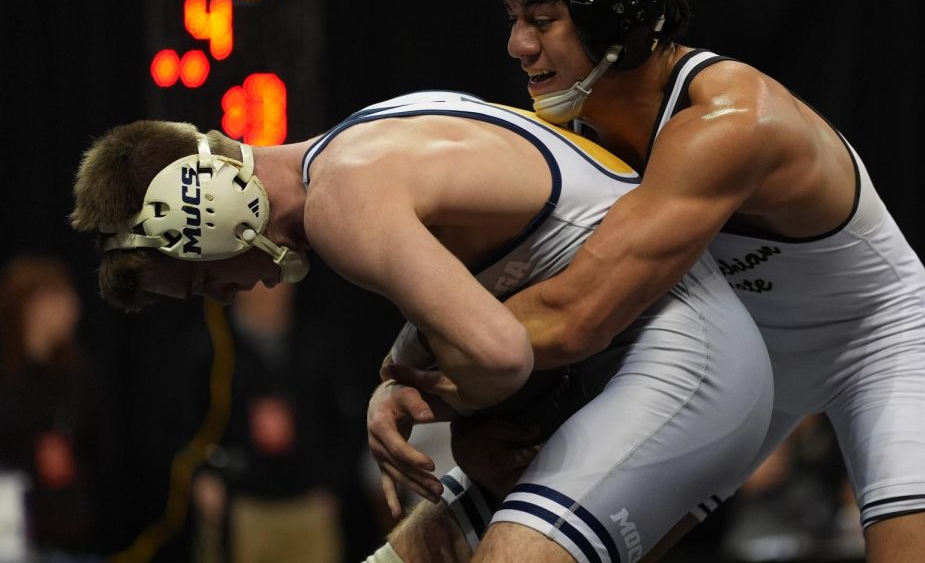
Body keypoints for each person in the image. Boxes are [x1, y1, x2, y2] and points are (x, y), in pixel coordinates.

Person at [372, 0, 925, 563]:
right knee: (452, 534)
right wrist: (446, 392)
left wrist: (413, 380)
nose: (516, 45)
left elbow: (575, 314)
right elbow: (515, 291)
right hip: (737, 349)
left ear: (616, 17)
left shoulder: (729, 122)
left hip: (870, 341)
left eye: (540, 19)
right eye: (513, 17)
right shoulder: (572, 121)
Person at [69, 91, 773, 563]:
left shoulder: (341, 204)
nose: (219, 296)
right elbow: (490, 304)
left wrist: (410, 391)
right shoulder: (358, 145)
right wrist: (401, 376)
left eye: (199, 276)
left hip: (686, 359)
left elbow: (499, 357)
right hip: (636, 357)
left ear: (214, 211)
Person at [184, 280, 358, 563]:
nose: (268, 291)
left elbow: (347, 420)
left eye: (277, 280)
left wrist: (333, 486)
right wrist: (201, 476)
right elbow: (183, 420)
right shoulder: (212, 347)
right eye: (257, 282)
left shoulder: (319, 342)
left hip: (307, 505)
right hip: (239, 507)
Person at [0, 253, 115, 561]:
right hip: (13, 534)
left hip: (72, 534)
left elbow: (98, 445)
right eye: (59, 299)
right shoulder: (8, 375)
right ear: (30, 307)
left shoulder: (77, 373)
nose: (73, 308)